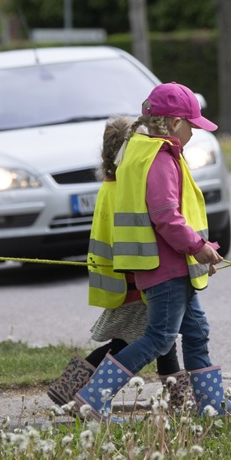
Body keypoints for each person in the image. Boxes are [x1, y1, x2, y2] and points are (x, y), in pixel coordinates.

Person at [74, 83, 231, 421]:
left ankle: (212, 406)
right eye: (192, 125)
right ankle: (93, 398)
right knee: (158, 338)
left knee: (196, 331)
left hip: (171, 263)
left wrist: (200, 252)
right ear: (174, 123)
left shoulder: (138, 150)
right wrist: (197, 247)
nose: (194, 132)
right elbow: (165, 216)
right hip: (167, 266)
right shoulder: (158, 155)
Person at [46, 116, 187, 411]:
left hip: (132, 280)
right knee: (134, 342)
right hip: (139, 281)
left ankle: (178, 397)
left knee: (163, 339)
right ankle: (71, 387)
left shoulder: (109, 186)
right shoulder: (125, 189)